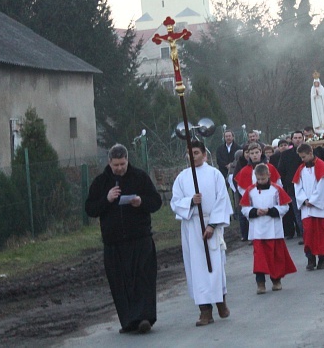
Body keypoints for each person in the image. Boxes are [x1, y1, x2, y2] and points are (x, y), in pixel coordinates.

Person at [85, 144, 162, 334]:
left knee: (143, 279)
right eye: (116, 165)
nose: (119, 168)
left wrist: (140, 201)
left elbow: (156, 202)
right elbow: (90, 209)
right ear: (109, 163)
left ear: (127, 159)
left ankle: (144, 318)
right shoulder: (101, 182)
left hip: (140, 238)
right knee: (121, 284)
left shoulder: (140, 177)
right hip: (114, 243)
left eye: (122, 164)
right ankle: (129, 321)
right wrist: (107, 199)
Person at [171, 141, 233, 327]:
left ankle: (220, 301)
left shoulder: (214, 174)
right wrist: (190, 201)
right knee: (197, 268)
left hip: (210, 225)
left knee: (214, 266)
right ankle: (204, 310)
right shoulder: (182, 177)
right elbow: (175, 202)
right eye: (189, 153)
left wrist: (213, 225)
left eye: (196, 152)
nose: (193, 156)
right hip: (192, 227)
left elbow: (222, 199)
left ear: (204, 154)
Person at [240, 164, 297, 294]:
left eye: (263, 179)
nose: (261, 182)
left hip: (273, 229)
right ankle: (260, 283)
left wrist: (271, 211)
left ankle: (276, 280)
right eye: (258, 179)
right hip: (258, 231)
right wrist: (254, 211)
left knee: (275, 257)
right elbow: (244, 208)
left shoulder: (276, 189)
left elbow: (285, 206)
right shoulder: (250, 191)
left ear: (268, 176)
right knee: (259, 259)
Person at [293, 143, 324, 270]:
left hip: (320, 207)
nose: (302, 160)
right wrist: (304, 199)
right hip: (307, 208)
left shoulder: (321, 165)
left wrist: (314, 200)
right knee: (308, 233)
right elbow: (297, 186)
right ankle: (310, 258)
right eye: (301, 157)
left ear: (310, 154)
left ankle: (322, 259)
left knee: (322, 234)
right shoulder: (301, 169)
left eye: (304, 157)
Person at [277, 131, 306, 241]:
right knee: (297, 213)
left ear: (303, 138)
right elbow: (281, 171)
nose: (298, 139)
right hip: (293, 188)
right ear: (292, 139)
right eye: (295, 137)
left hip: (307, 187)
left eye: (300, 137)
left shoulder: (309, 151)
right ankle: (304, 235)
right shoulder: (285, 154)